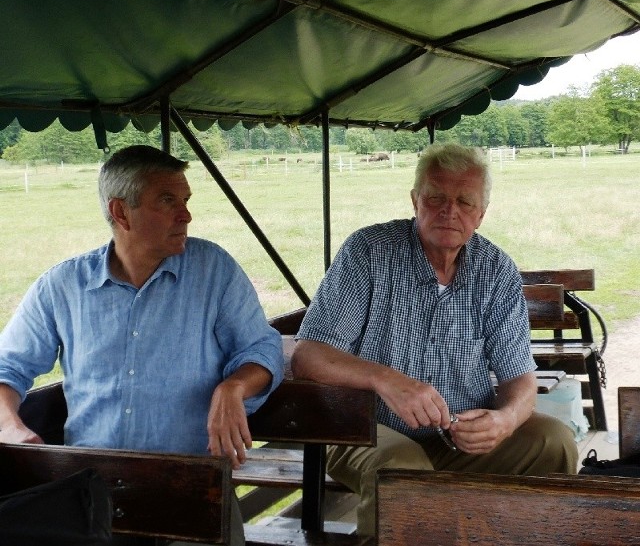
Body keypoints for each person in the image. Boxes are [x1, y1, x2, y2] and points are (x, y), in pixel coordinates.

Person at [0, 145, 284, 545]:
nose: (186, 215)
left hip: (192, 483)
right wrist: (10, 427)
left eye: (185, 201)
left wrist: (233, 387)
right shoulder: (63, 286)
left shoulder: (213, 270)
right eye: (167, 201)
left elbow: (262, 348)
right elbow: (7, 367)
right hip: (95, 493)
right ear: (120, 213)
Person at [291, 143, 578, 536]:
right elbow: (309, 355)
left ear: (481, 213)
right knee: (404, 471)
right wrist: (387, 380)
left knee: (554, 441)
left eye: (464, 201)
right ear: (415, 201)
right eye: (436, 198)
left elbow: (520, 379)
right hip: (364, 427)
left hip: (459, 435)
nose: (449, 211)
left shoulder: (496, 270)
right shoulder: (369, 252)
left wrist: (505, 420)